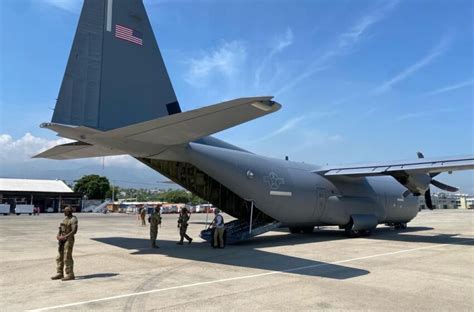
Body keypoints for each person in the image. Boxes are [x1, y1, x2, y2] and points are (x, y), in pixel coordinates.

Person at [51, 206, 78, 281]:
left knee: (67, 256)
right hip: (62, 239)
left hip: (68, 240)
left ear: (69, 212)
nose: (64, 212)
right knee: (59, 257)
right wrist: (58, 235)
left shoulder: (73, 219)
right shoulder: (65, 219)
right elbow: (60, 229)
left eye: (65, 211)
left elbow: (74, 231)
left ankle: (70, 274)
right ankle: (60, 273)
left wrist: (65, 236)